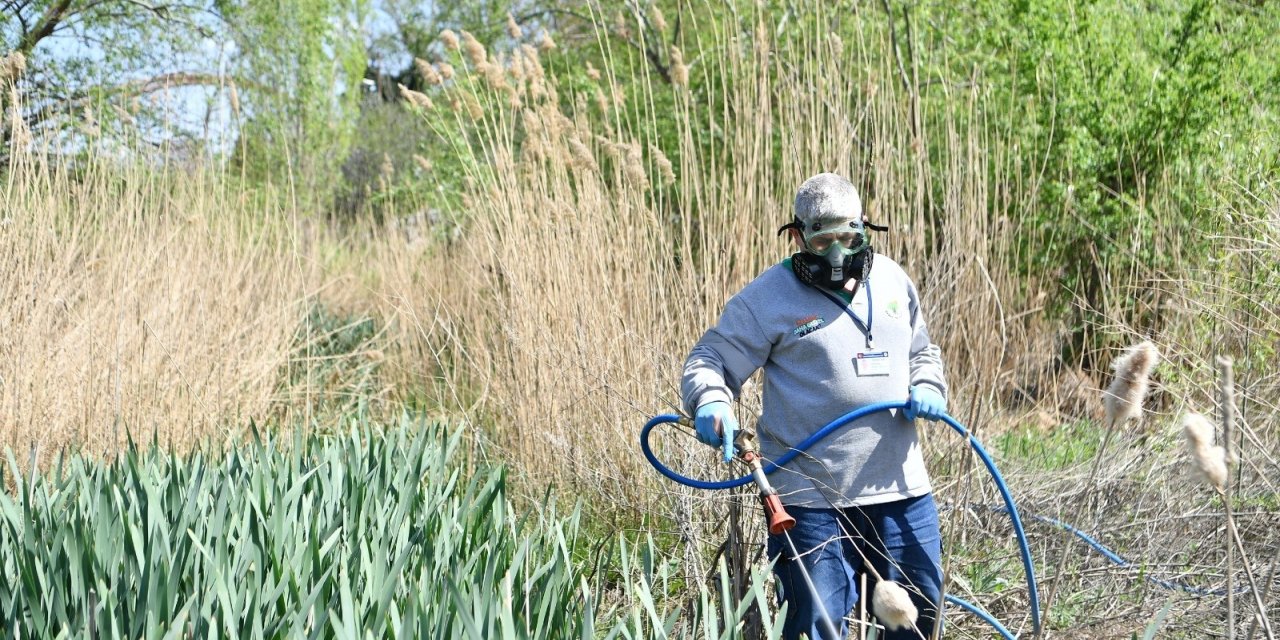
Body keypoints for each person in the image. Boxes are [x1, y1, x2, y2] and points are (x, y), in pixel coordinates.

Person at [681, 172, 948, 640]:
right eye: (823, 240)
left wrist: (928, 384)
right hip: (808, 499)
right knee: (818, 623)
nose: (837, 253)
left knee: (918, 614)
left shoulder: (892, 280)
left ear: (866, 226)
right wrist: (710, 400)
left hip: (900, 487)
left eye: (849, 237)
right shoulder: (767, 297)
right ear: (798, 235)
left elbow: (922, 351)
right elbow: (711, 360)